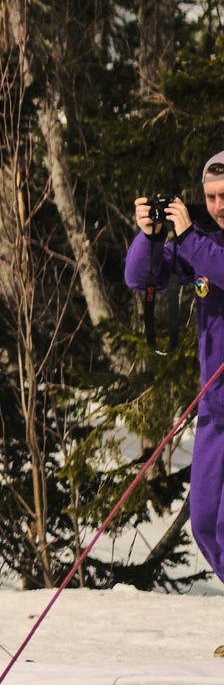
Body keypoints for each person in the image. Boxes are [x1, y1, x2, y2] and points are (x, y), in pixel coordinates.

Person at [128, 155, 224, 582]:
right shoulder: (202, 242)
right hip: (214, 411)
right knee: (204, 523)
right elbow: (142, 278)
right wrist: (149, 235)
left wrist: (186, 235)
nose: (218, 206)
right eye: (210, 198)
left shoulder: (199, 244)